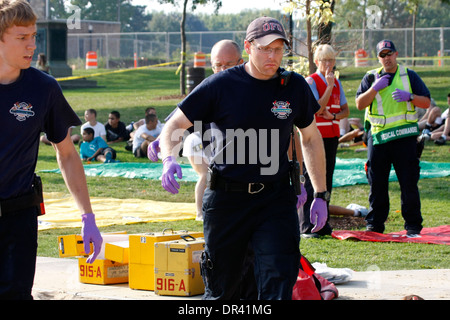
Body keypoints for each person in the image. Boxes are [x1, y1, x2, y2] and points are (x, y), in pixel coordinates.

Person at [157, 17, 328, 300]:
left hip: (275, 200)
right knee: (223, 289)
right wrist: (168, 159)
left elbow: (310, 138)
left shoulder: (293, 86)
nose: (272, 56)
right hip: (227, 200)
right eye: (264, 49)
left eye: (278, 49)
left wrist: (320, 193)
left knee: (278, 279)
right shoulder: (220, 86)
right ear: (249, 47)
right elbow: (173, 125)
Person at [0, 0, 102, 300]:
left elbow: (67, 153)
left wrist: (88, 217)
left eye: (34, 36)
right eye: (22, 38)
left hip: (18, 216)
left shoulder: (43, 88)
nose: (31, 45)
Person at [355, 39, 431, 235]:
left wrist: (410, 97)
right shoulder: (370, 77)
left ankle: (413, 226)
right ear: (378, 58)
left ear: (396, 54)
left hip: (404, 137)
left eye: (389, 54)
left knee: (408, 183)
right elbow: (359, 104)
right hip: (379, 138)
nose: (386, 58)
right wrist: (374, 89)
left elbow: (426, 102)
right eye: (382, 55)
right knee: (377, 183)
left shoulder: (409, 76)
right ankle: (375, 225)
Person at [300, 44, 349, 238]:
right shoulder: (311, 82)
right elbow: (317, 108)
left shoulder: (337, 82)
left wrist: (334, 117)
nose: (328, 64)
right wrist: (328, 86)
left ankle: (323, 223)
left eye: (331, 60)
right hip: (314, 137)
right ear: (317, 62)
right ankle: (307, 224)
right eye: (324, 60)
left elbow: (346, 110)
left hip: (332, 136)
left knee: (327, 179)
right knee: (312, 179)